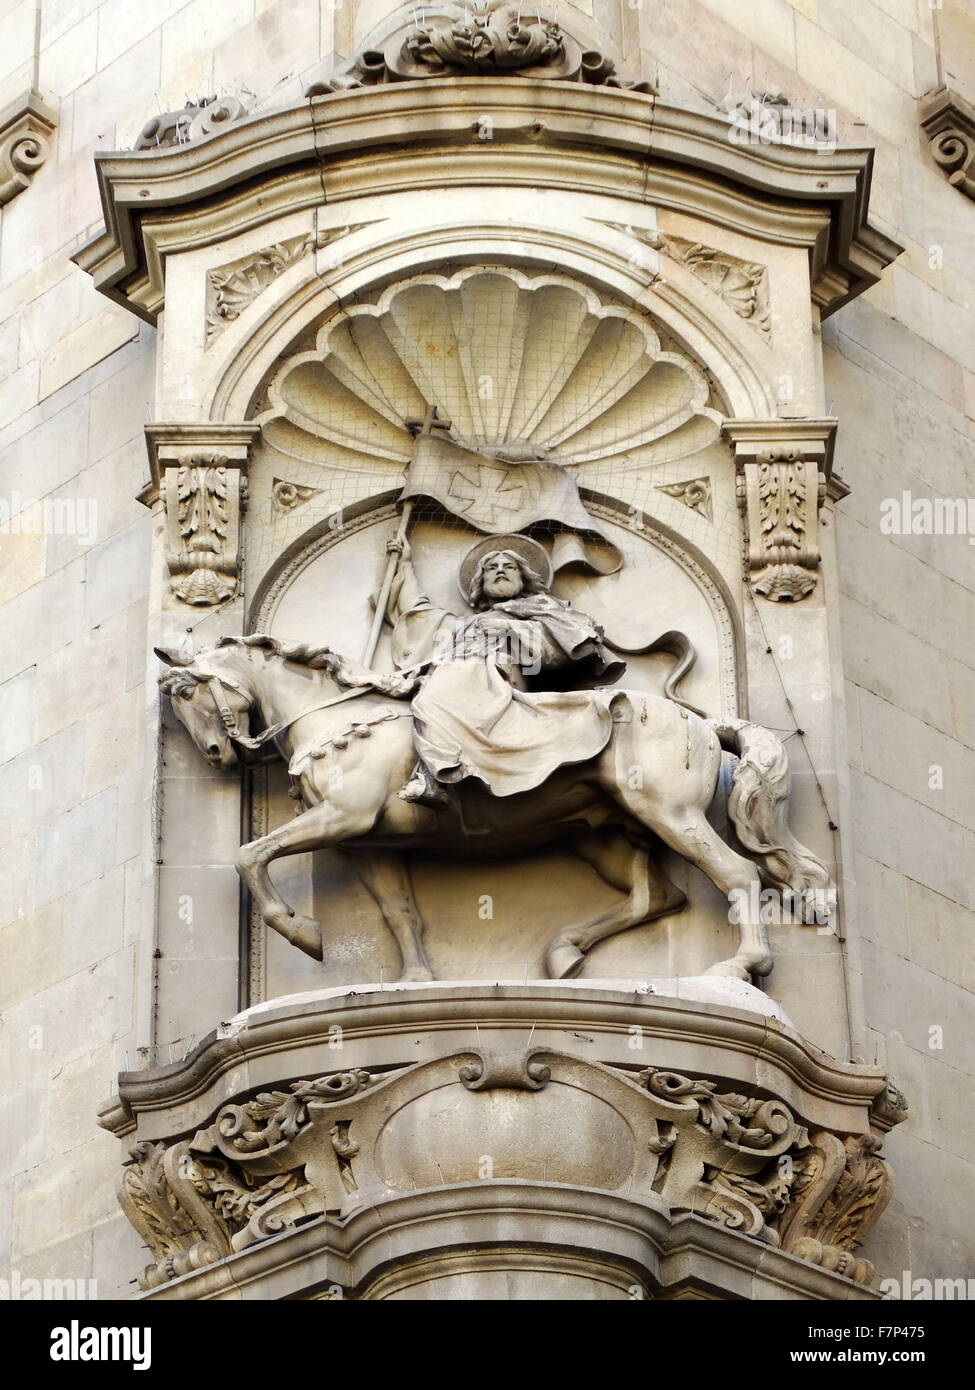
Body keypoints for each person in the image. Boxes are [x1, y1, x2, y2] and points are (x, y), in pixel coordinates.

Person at [385, 533, 625, 808]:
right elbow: (418, 612)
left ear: (523, 578)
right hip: (454, 677)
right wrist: (404, 563)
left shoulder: (544, 608)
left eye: (509, 567)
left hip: (493, 678)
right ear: (481, 582)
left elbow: (570, 643)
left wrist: (510, 627)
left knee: (430, 699)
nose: (500, 570)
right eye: (491, 568)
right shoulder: (464, 624)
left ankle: (435, 775)